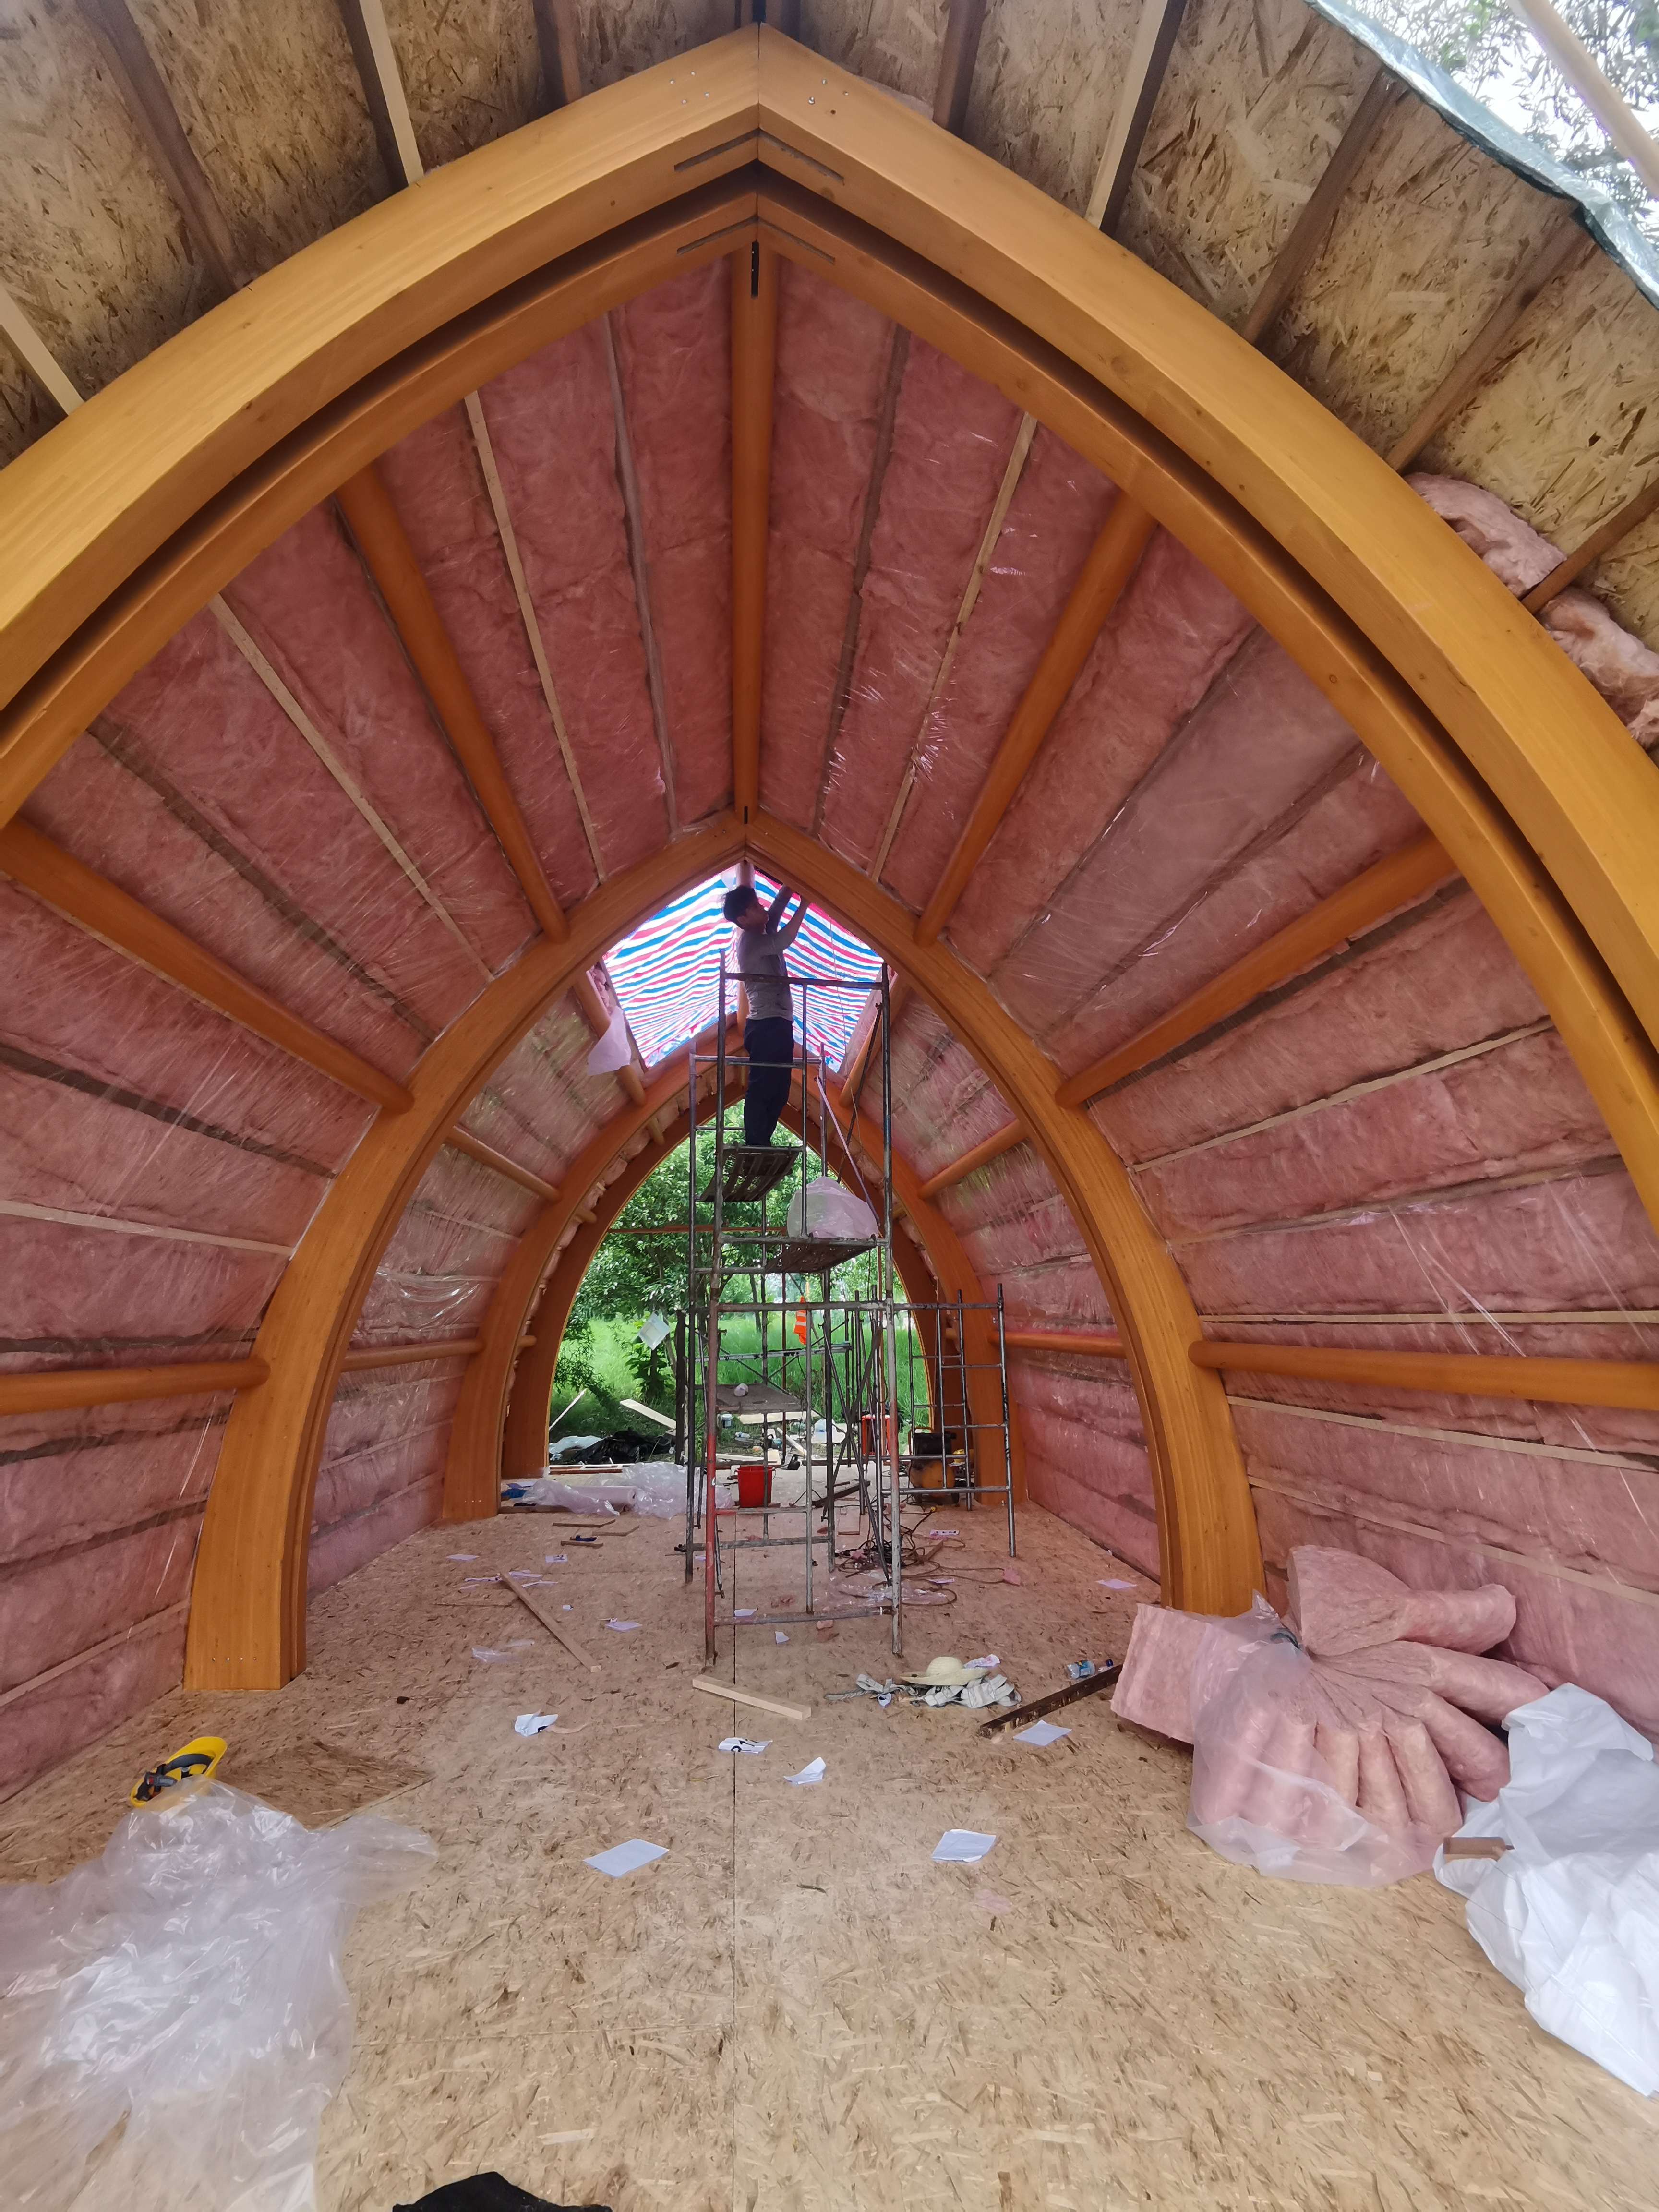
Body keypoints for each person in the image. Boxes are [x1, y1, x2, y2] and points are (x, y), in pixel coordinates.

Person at [723, 879, 808, 1148]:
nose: (763, 908)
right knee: (762, 1087)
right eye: (756, 906)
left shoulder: (762, 930)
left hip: (780, 1023)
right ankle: (756, 1143)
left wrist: (789, 888)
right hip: (765, 1025)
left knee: (780, 1090)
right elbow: (784, 940)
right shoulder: (750, 942)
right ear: (743, 918)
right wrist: (805, 903)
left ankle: (763, 1141)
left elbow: (776, 910)